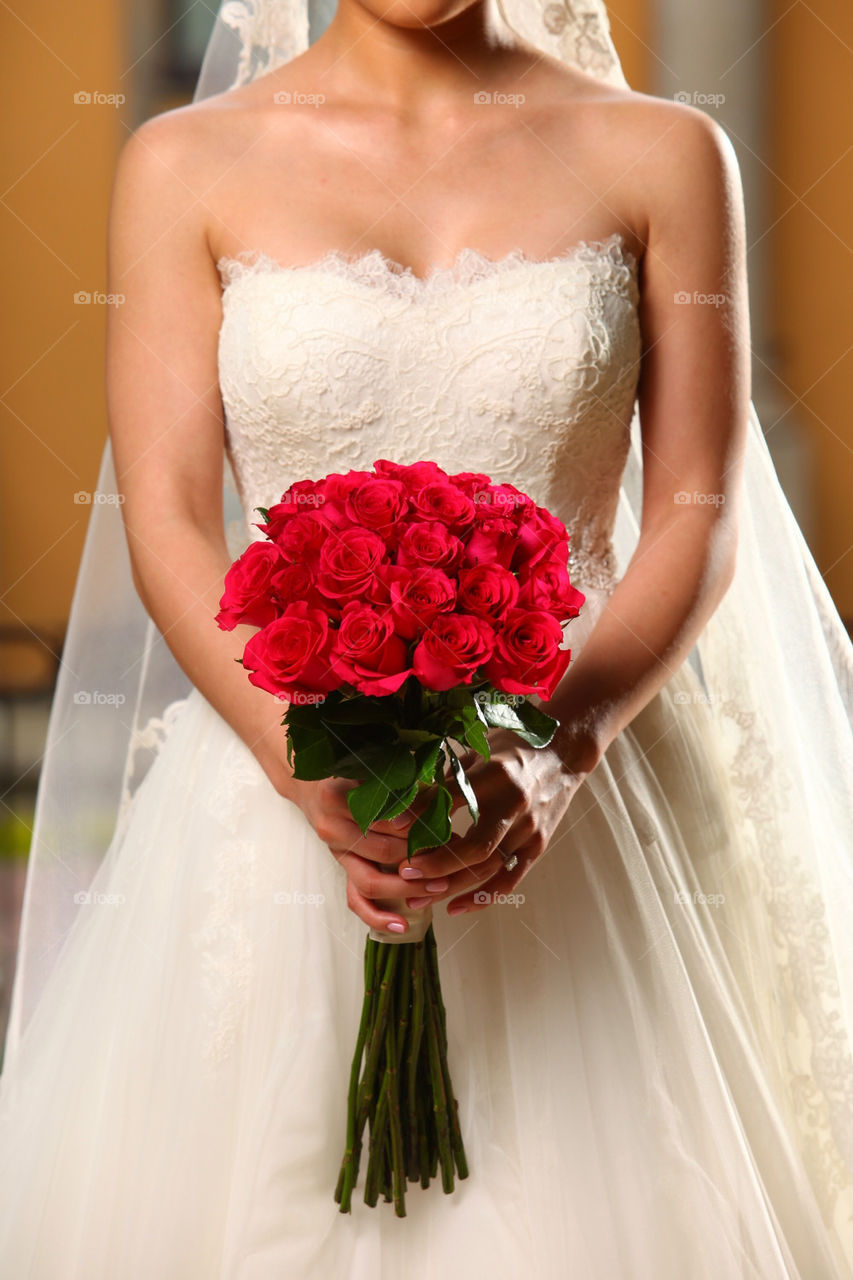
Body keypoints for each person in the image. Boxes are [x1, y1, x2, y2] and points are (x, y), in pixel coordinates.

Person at [1, 0, 852, 1275]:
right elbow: (172, 520)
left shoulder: (666, 155)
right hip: (281, 791)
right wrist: (314, 775)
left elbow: (698, 509)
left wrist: (560, 750)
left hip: (579, 784)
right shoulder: (182, 164)